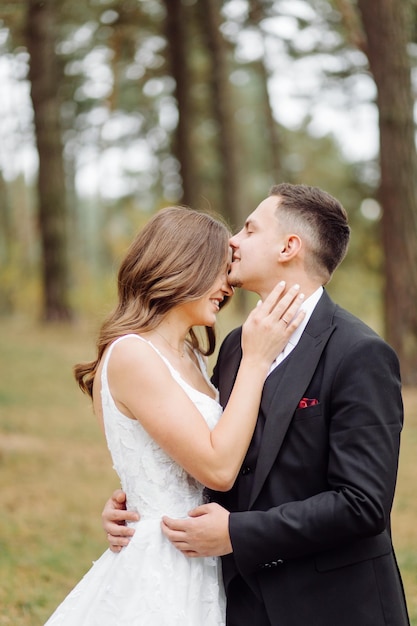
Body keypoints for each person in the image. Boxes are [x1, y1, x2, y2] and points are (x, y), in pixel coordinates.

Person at [103, 184, 410, 626]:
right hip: (240, 602)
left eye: (249, 229)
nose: (232, 241)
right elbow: (211, 447)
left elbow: (363, 504)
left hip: (334, 606)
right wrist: (139, 506)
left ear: (289, 247)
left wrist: (235, 533)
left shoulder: (359, 353)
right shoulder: (233, 347)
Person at [44, 206, 305, 626]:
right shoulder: (132, 353)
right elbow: (218, 469)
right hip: (163, 562)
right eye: (220, 271)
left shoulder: (190, 356)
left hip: (203, 555)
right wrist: (257, 360)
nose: (228, 286)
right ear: (185, 266)